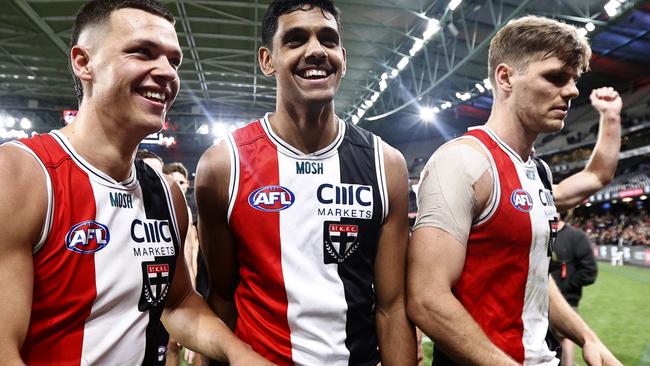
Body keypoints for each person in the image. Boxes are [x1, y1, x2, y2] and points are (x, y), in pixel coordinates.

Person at [0, 1, 273, 365]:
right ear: (84, 63)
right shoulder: (21, 176)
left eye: (174, 61)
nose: (166, 73)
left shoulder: (167, 195)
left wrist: (242, 356)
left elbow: (177, 302)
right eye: (142, 52)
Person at [195, 0, 417, 365]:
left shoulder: (385, 164)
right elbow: (221, 297)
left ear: (342, 58)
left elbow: (392, 307)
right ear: (267, 60)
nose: (316, 51)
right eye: (296, 40)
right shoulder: (222, 167)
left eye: (327, 40)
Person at [407, 16, 622, 366]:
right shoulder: (462, 162)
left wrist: (588, 337)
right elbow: (426, 299)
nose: (571, 91)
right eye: (554, 77)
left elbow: (531, 277)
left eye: (573, 80)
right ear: (505, 77)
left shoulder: (537, 170)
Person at [163, 161, 202, 366]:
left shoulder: (188, 214)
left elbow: (192, 258)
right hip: (167, 291)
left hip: (190, 288)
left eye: (182, 181)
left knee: (193, 346)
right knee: (171, 346)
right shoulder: (160, 212)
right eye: (173, 180)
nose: (178, 185)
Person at [550, 213, 598, 366]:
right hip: (537, 302)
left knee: (565, 339)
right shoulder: (542, 233)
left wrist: (566, 285)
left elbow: (589, 272)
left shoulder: (577, 237)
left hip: (566, 301)